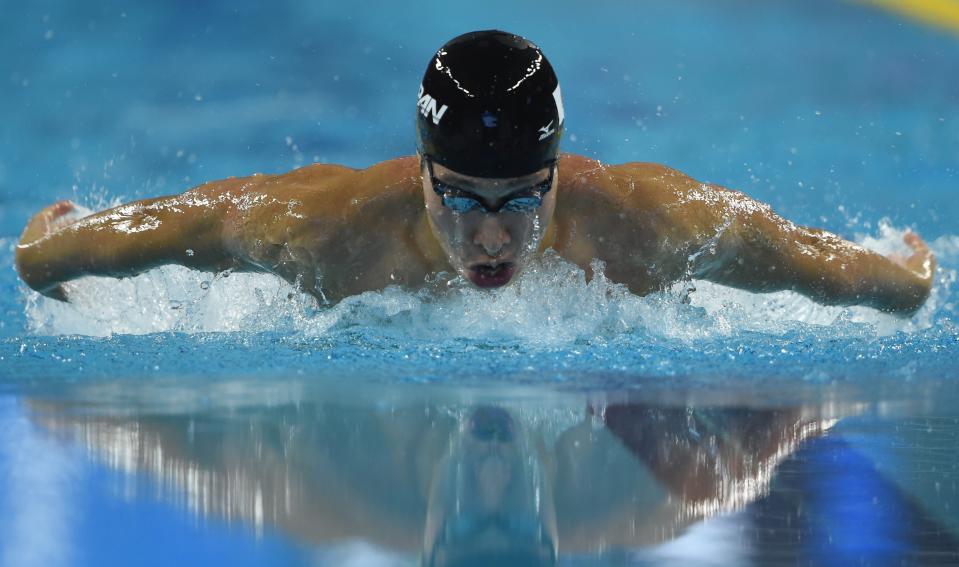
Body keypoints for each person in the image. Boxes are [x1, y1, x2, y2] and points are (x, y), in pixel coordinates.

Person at [15, 30, 936, 314]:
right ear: (420, 175)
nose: (491, 235)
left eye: (518, 202)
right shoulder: (329, 229)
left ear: (555, 177)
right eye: (460, 198)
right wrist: (46, 254)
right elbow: (182, 223)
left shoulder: (647, 224)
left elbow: (819, 263)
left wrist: (905, 277)